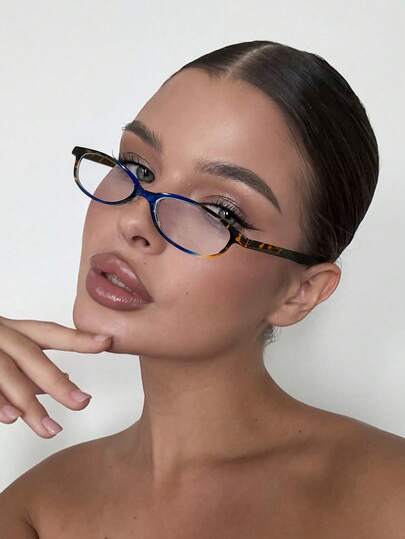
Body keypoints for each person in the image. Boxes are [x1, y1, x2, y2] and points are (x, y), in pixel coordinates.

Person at [1, 39, 404, 538]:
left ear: (300, 292)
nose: (135, 220)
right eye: (138, 167)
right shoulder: (37, 509)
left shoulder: (390, 499)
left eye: (218, 211)